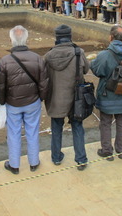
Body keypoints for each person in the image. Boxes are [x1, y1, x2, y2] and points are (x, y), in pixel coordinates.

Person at [0, 26, 49, 174]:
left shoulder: (5, 61)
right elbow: (44, 82)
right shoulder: (37, 58)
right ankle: (33, 162)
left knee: (13, 133)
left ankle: (14, 164)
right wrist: (41, 98)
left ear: (11, 40)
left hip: (13, 103)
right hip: (33, 102)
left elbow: (0, 85)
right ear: (26, 39)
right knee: (32, 131)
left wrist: (1, 101)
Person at [44, 25, 89, 170]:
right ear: (70, 36)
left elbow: (42, 75)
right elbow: (86, 69)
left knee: (56, 128)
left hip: (56, 98)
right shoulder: (78, 52)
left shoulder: (48, 55)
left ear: (56, 37)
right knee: (77, 127)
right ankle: (81, 159)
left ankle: (56, 157)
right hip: (76, 99)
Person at [91, 25, 122, 160]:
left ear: (110, 37)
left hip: (107, 93)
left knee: (105, 122)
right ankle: (121, 149)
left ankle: (107, 150)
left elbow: (97, 71)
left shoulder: (104, 54)